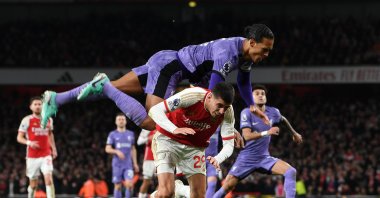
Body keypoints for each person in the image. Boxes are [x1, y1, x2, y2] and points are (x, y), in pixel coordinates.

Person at [41, 24, 274, 130]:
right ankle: (104, 85)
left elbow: (243, 81)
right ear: (252, 43)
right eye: (264, 50)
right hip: (171, 68)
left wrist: (252, 105)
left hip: (167, 62)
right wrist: (220, 120)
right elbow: (213, 89)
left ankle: (56, 99)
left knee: (109, 88)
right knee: (152, 121)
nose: (265, 55)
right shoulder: (228, 52)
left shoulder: (245, 57)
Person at [148, 82, 237, 198]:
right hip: (167, 139)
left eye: (226, 107)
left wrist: (217, 158)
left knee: (199, 196)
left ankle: (179, 188)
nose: (222, 111)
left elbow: (229, 145)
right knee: (166, 193)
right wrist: (174, 129)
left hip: (195, 148)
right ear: (209, 97)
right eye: (219, 105)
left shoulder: (228, 112)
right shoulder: (192, 96)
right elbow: (154, 110)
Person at [213, 85, 303, 198]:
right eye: (257, 94)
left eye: (262, 94)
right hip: (246, 158)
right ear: (251, 97)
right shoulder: (246, 112)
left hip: (264, 158)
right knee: (227, 187)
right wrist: (267, 133)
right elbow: (246, 136)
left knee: (291, 171)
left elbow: (283, 119)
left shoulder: (273, 112)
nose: (260, 96)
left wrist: (294, 133)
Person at [17, 96, 57, 198]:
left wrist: (54, 148)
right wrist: (29, 143)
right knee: (33, 185)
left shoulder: (48, 119)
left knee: (48, 179)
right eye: (35, 104)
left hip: (46, 154)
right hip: (32, 156)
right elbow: (19, 138)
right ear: (31, 107)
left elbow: (50, 134)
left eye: (40, 104)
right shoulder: (26, 120)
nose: (38, 106)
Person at [105, 113, 139, 198]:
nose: (121, 121)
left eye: (123, 119)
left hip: (128, 164)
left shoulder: (130, 134)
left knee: (129, 184)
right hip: (117, 165)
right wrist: (116, 151)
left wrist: (135, 163)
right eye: (119, 119)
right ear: (116, 122)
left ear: (126, 121)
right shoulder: (112, 134)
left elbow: (133, 149)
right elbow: (107, 148)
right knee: (118, 186)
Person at [137, 129, 156, 198]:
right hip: (149, 159)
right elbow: (139, 142)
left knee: (163, 181)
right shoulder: (147, 127)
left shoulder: (164, 125)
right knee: (146, 181)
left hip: (162, 158)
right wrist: (148, 138)